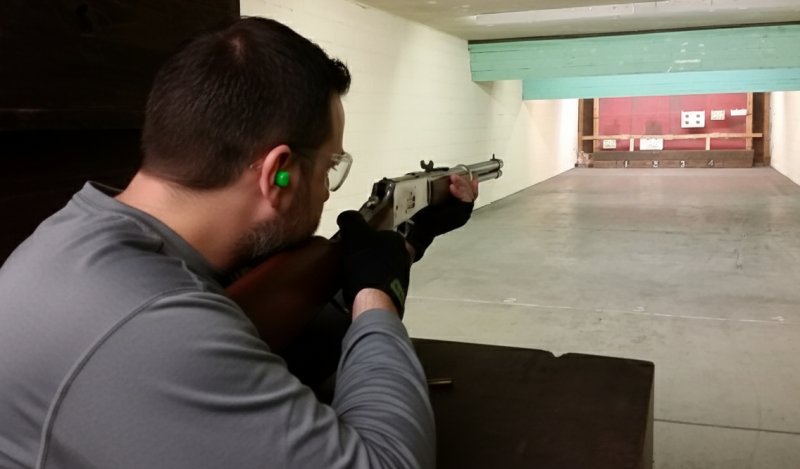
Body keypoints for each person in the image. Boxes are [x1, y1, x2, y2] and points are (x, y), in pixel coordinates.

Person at [0, 17, 478, 469]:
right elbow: (389, 460)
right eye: (331, 167)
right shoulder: (150, 324)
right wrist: (378, 297)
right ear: (280, 174)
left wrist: (409, 239)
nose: (327, 190)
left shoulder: (81, 238)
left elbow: (265, 338)